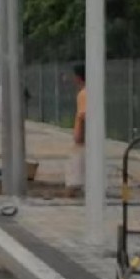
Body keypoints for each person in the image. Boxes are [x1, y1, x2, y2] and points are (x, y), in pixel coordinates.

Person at [65, 64, 86, 195]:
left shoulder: (83, 94)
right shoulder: (90, 92)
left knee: (73, 180)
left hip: (82, 142)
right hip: (84, 141)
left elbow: (84, 115)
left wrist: (79, 136)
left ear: (78, 77)